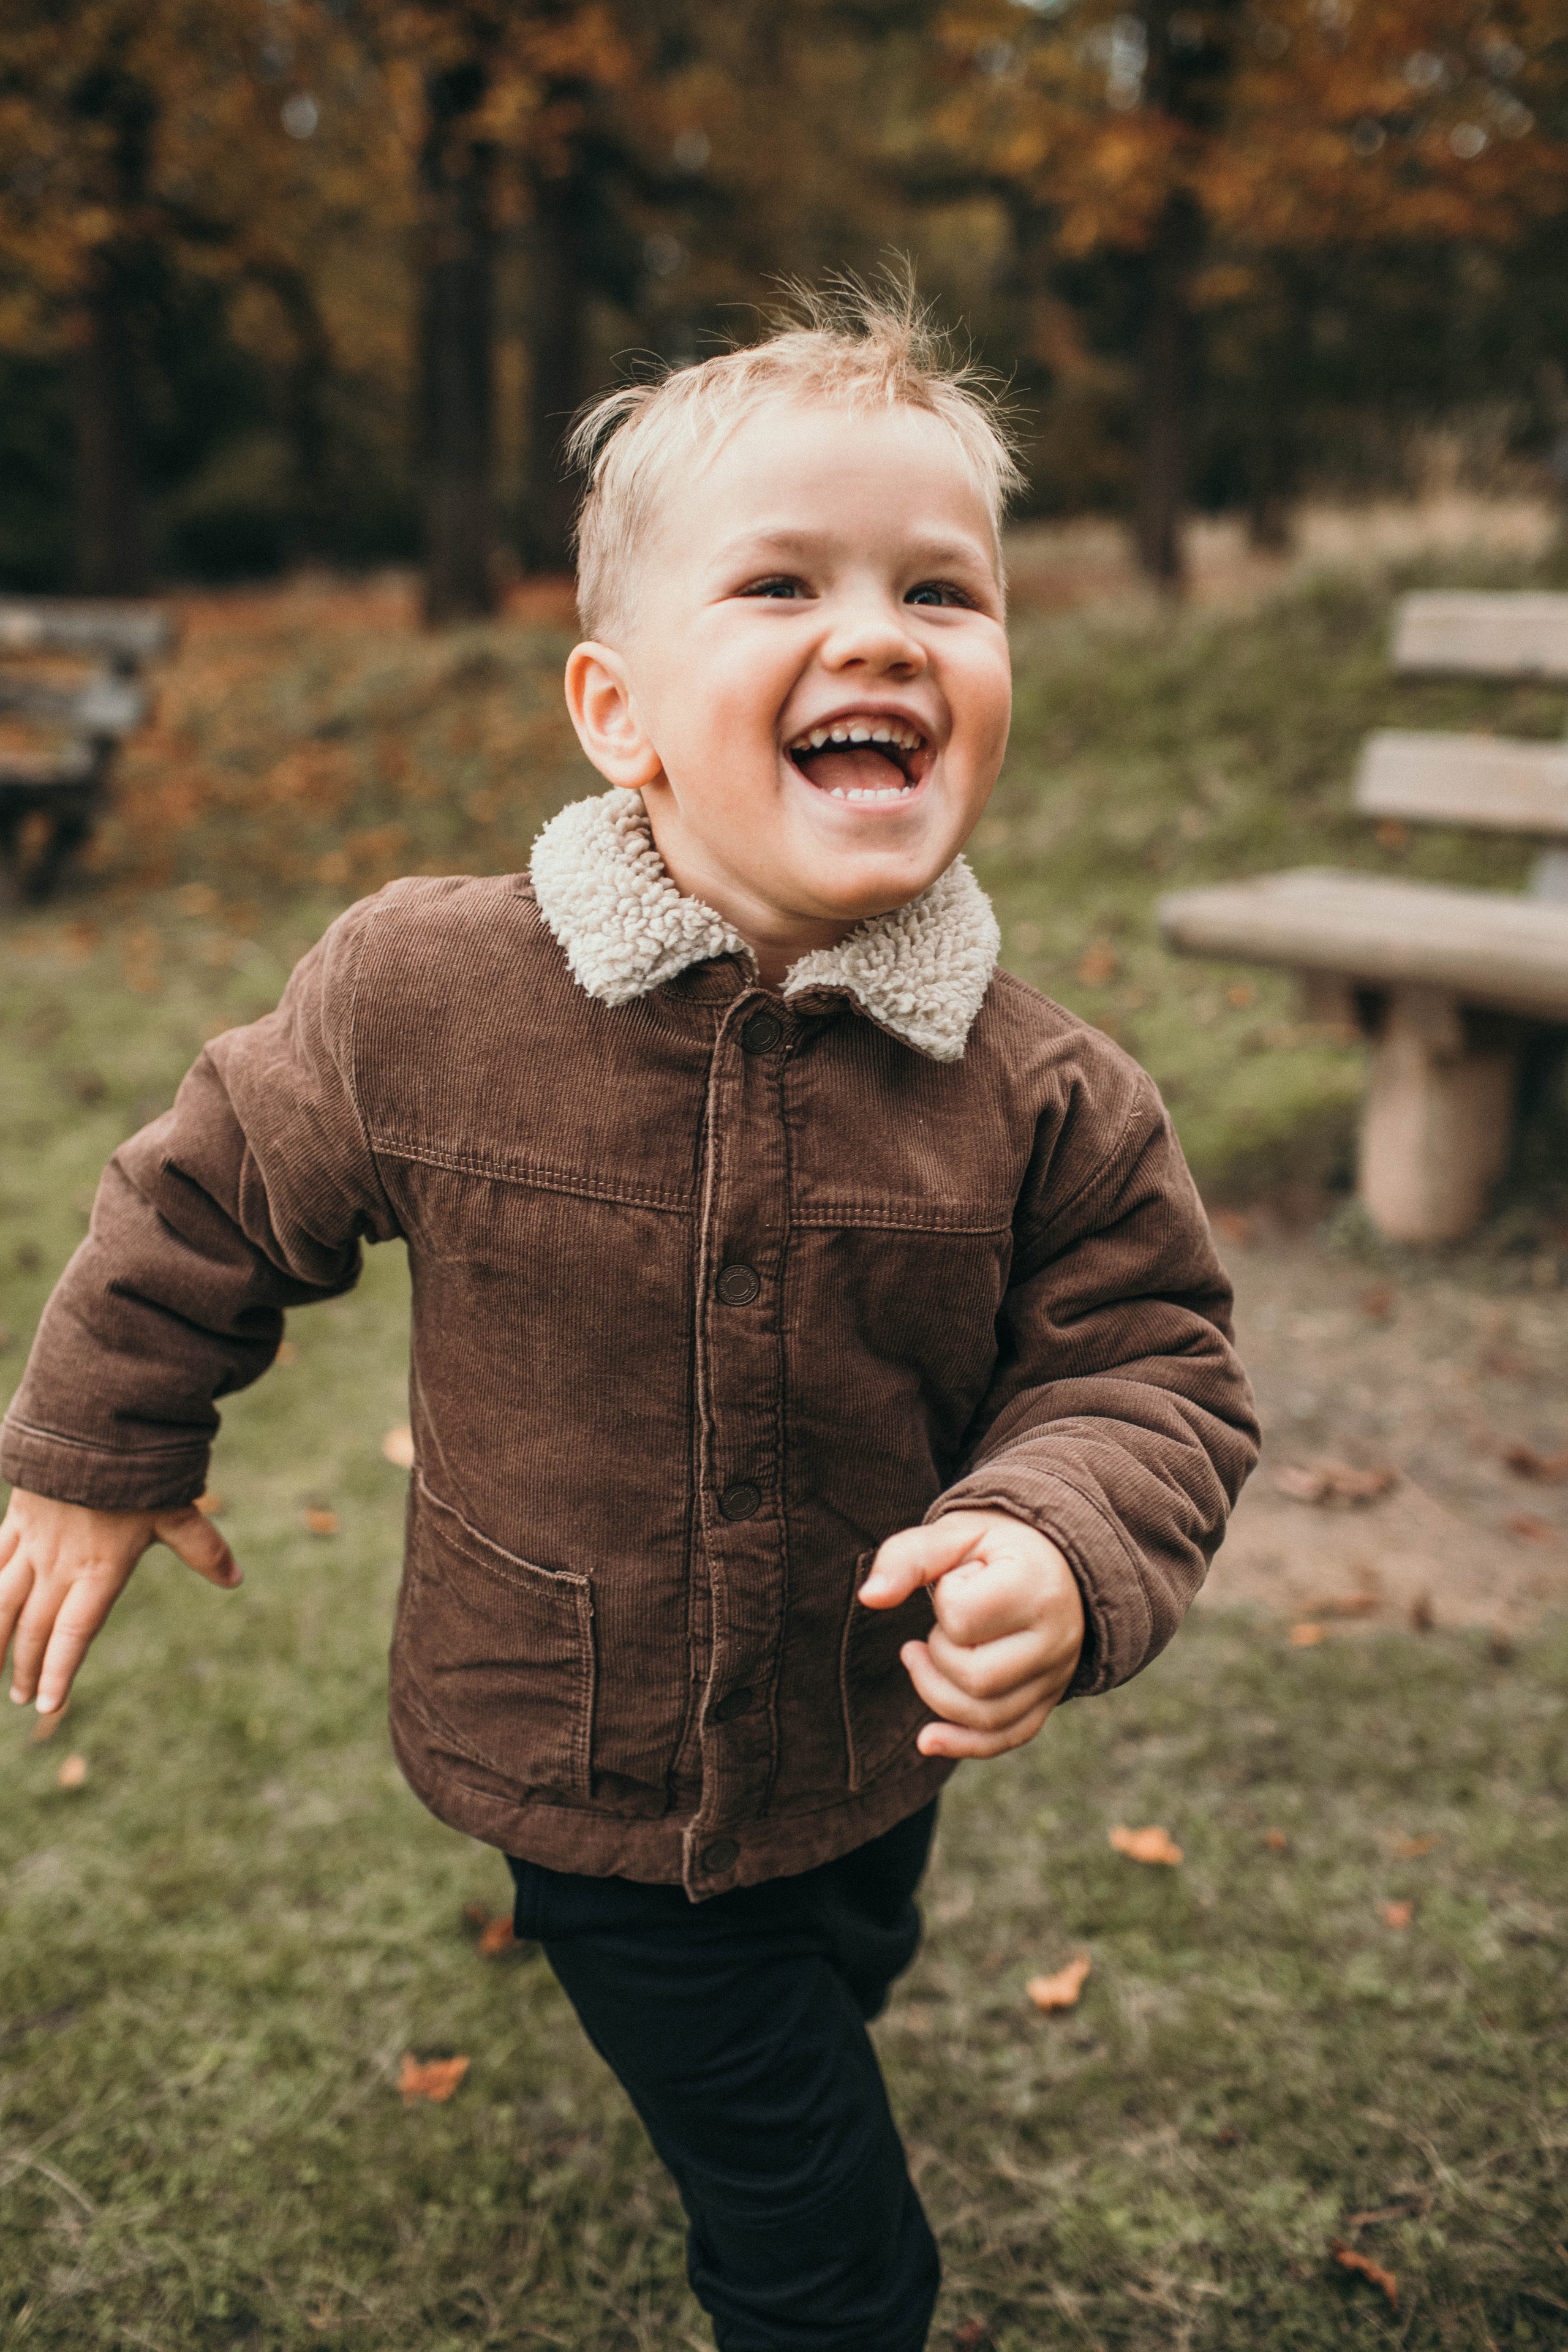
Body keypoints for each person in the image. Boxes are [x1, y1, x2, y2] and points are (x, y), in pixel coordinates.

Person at [0, 282, 1257, 2352]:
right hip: (569, 1743)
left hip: (866, 1739)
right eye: (784, 584)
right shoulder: (430, 1000)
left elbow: (1147, 1363)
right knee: (823, 2241)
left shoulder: (1046, 1093)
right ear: (617, 709)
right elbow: (206, 1194)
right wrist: (102, 1450)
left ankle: (794, 2005)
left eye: (944, 591)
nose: (879, 634)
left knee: (838, 1958)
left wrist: (1054, 1529)